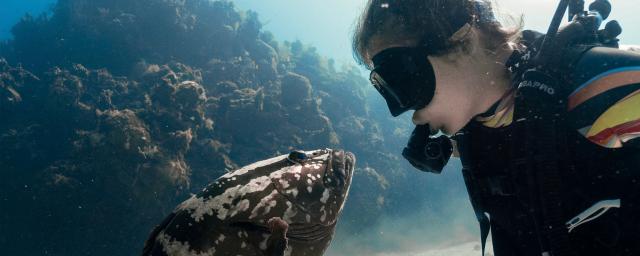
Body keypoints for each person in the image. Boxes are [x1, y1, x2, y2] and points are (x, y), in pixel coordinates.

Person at [351, 0, 640, 255]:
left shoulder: (598, 88)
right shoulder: (474, 133)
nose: (401, 110)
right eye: (387, 89)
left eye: (402, 79)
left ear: (465, 40)